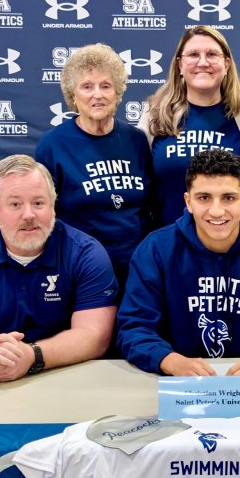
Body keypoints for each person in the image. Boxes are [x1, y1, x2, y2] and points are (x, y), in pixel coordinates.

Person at [117, 149, 240, 377]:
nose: (216, 211)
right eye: (204, 198)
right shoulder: (155, 249)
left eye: (228, 198)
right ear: (188, 202)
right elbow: (133, 327)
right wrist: (168, 360)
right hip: (177, 384)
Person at [0, 155, 117, 382]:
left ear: (53, 206)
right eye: (15, 204)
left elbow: (95, 337)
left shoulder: (86, 254)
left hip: (67, 376)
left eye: (38, 203)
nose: (29, 215)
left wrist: (31, 356)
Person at [35, 43, 153, 292]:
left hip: (138, 270)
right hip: (81, 269)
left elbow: (150, 205)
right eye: (87, 86)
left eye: (106, 86)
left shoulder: (137, 140)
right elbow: (44, 214)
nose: (97, 94)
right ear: (73, 94)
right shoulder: (53, 144)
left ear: (118, 92)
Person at [138, 26, 240, 225]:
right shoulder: (154, 114)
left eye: (212, 54)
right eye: (194, 54)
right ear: (179, 65)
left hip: (230, 243)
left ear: (227, 64)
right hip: (168, 245)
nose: (203, 62)